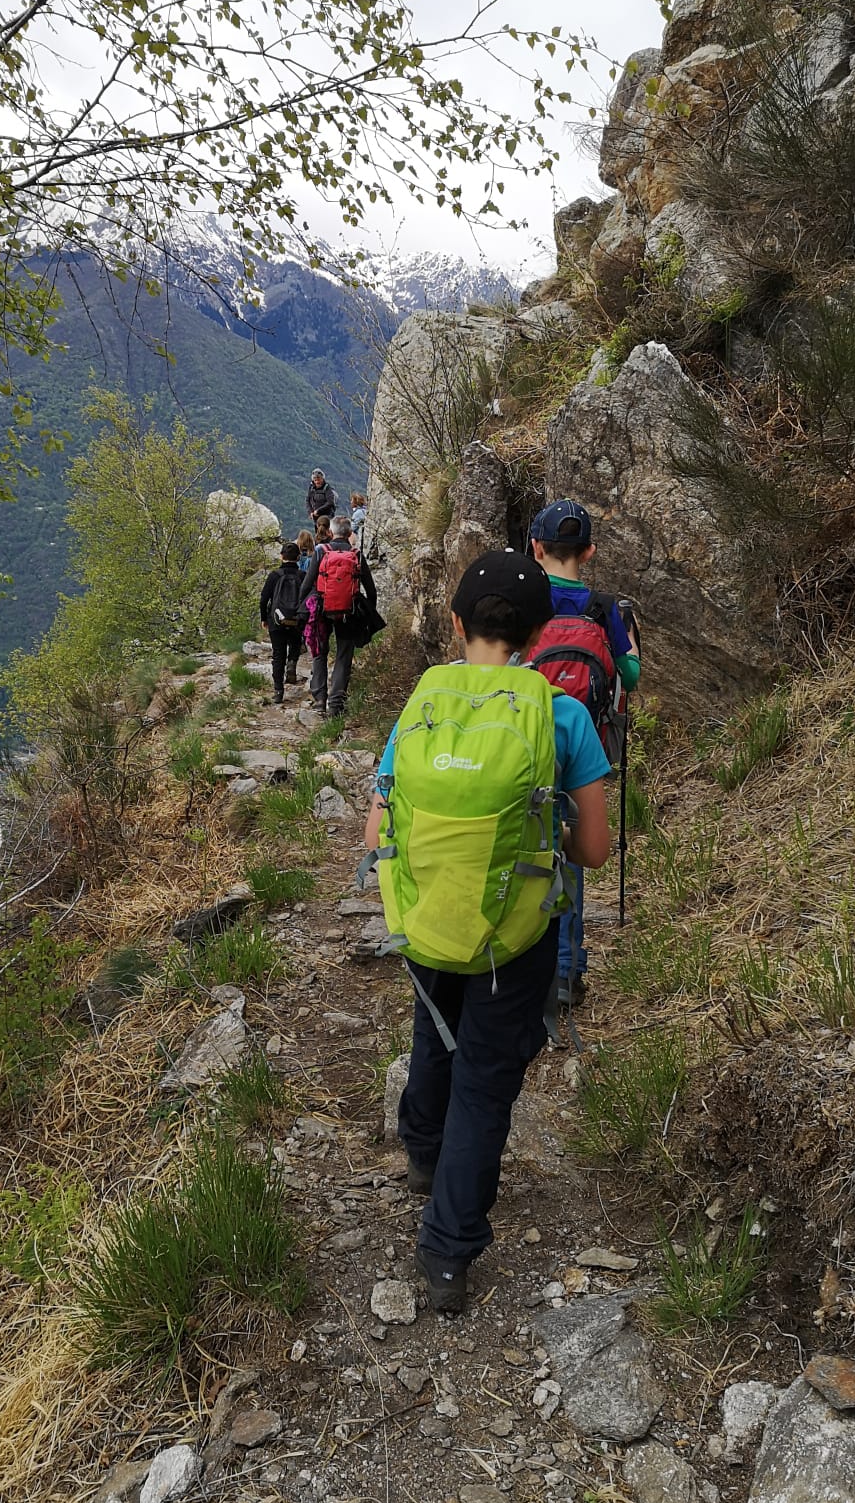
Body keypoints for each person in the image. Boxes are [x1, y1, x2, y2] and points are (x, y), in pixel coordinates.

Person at [364, 550, 611, 1312]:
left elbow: (378, 827)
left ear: (455, 623)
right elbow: (594, 851)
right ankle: (446, 1252)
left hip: (427, 911)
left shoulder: (423, 705)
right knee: (486, 1079)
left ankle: (421, 1149)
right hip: (514, 931)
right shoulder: (559, 714)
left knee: (433, 1027)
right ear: (540, 633)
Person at [527, 499, 640, 1008]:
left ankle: (520, 955)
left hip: (523, 741)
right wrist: (630, 645)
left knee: (525, 837)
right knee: (569, 845)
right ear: (589, 552)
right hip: (584, 741)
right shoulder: (603, 607)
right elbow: (630, 676)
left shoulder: (525, 599)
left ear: (536, 548)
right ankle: (567, 971)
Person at [298, 513, 376, 718]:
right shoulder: (356, 554)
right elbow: (370, 588)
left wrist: (301, 608)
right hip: (348, 611)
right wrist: (368, 613)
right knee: (343, 655)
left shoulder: (321, 551)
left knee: (319, 651)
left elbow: (307, 583)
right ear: (350, 533)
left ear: (331, 533)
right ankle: (336, 704)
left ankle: (319, 699)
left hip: (322, 609)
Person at [258, 542, 305, 705]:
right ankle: (292, 662)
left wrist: (264, 618)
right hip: (297, 618)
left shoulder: (274, 575)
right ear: (298, 557)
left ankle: (278, 691)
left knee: (278, 654)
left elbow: (264, 599)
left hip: (277, 619)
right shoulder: (302, 575)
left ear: (281, 556)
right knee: (295, 643)